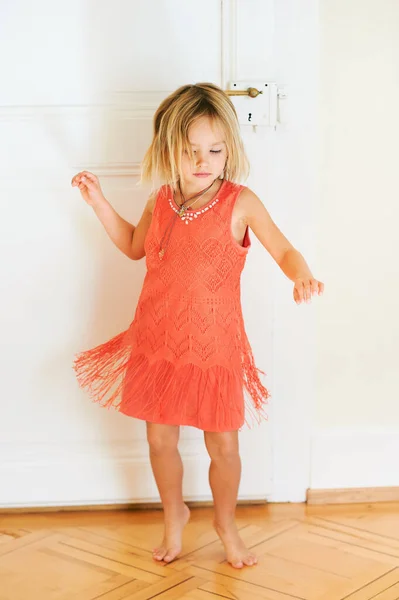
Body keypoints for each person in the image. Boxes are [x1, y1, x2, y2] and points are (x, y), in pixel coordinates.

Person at [71, 82, 324, 569]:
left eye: (214, 150)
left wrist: (302, 275)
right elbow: (132, 246)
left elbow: (284, 248)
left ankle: (225, 524)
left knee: (224, 446)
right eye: (190, 152)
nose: (203, 160)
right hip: (157, 342)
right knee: (159, 439)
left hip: (214, 350)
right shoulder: (160, 201)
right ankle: (175, 513)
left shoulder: (240, 202)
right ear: (169, 151)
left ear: (230, 149)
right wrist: (99, 201)